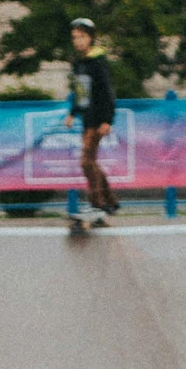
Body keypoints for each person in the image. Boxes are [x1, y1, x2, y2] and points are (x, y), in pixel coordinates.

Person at [68, 17, 119, 222]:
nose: (78, 41)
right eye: (75, 37)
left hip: (98, 119)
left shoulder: (98, 62)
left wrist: (108, 120)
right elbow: (81, 92)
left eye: (82, 37)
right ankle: (110, 202)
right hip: (87, 118)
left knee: (86, 162)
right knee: (91, 162)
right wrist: (73, 112)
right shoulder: (79, 63)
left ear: (91, 38)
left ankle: (96, 204)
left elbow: (107, 92)